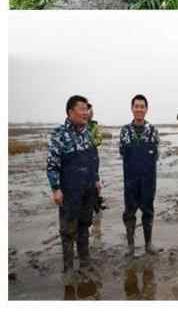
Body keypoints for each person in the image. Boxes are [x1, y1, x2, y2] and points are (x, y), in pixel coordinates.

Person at [47, 95, 101, 274]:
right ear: (70, 112)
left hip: (88, 189)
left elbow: (93, 158)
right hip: (69, 191)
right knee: (68, 230)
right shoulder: (59, 134)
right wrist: (55, 189)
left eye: (87, 109)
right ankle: (68, 268)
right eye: (82, 109)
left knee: (85, 225)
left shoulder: (87, 133)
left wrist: (96, 179)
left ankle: (85, 263)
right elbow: (52, 164)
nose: (86, 113)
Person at [120, 94, 160, 256]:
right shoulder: (125, 131)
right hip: (130, 179)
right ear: (132, 108)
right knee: (129, 212)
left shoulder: (152, 130)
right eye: (136, 106)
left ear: (146, 109)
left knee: (148, 211)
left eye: (142, 106)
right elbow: (122, 153)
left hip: (148, 180)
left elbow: (155, 155)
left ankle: (148, 244)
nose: (139, 109)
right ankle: (130, 245)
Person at [87, 103, 106, 212]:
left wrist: (89, 141)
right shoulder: (79, 125)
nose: (91, 113)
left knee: (95, 179)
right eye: (89, 110)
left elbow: (99, 140)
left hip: (93, 155)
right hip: (81, 157)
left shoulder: (95, 126)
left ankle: (97, 203)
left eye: (91, 111)